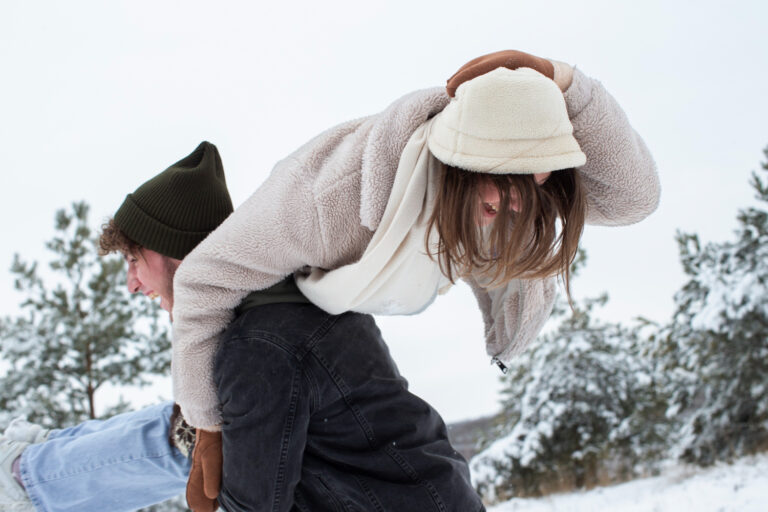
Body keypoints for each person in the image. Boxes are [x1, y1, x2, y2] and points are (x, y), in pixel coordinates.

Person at [171, 51, 660, 510]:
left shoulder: (527, 191)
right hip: (273, 326)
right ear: (458, 162)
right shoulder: (328, 198)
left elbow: (635, 198)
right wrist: (207, 425)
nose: (516, 203)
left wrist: (566, 85)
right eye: (499, 185)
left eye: (534, 178)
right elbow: (202, 279)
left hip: (341, 325)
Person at [0, 141, 234, 512]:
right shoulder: (227, 318)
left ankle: (27, 475)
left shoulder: (251, 337)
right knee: (185, 423)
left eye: (133, 260)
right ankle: (41, 456)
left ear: (173, 249)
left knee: (188, 438)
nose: (131, 284)